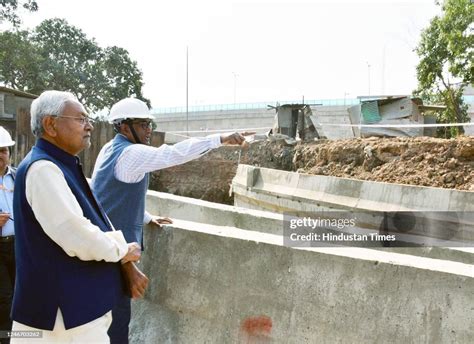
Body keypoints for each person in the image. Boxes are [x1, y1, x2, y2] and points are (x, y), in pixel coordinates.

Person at [91, 97, 248, 343]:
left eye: (148, 124)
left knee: (105, 322)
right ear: (124, 126)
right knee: (116, 326)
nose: (149, 130)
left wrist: (146, 217)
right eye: (143, 124)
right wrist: (218, 139)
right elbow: (172, 154)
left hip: (106, 250)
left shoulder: (109, 150)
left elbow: (108, 196)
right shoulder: (131, 154)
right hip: (115, 257)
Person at [10, 90, 142, 343]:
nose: (89, 126)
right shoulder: (43, 169)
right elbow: (75, 234)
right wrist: (122, 250)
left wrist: (126, 264)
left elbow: (96, 215)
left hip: (75, 308)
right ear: (51, 124)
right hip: (64, 313)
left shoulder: (61, 165)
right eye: (81, 119)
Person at [0, 127, 16, 344]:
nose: (0, 156)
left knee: (21, 295)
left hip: (18, 246)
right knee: (4, 299)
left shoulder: (19, 177)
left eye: (3, 151)